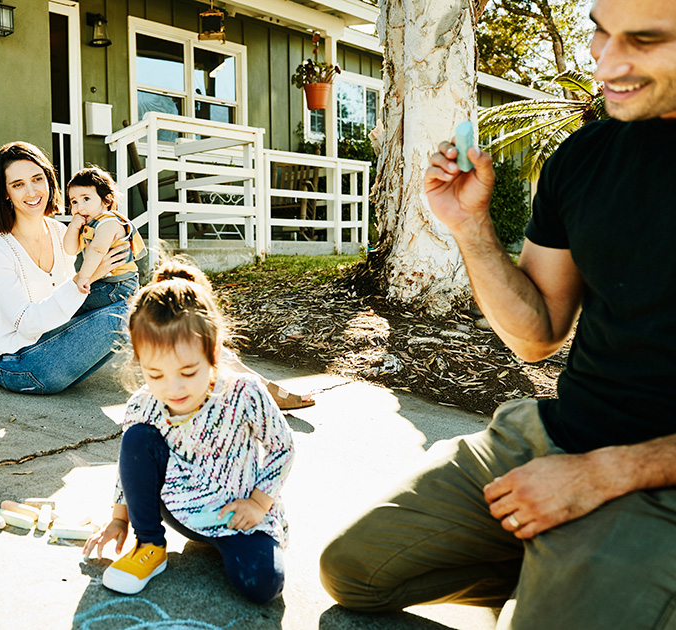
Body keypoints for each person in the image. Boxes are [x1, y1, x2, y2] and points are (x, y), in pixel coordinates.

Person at [319, 1, 676, 627]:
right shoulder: (585, 156)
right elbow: (537, 335)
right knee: (354, 571)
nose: (606, 60)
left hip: (657, 480)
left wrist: (604, 473)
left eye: (643, 41)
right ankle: (548, 570)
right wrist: (469, 227)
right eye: (599, 32)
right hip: (559, 434)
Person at [82, 259, 297, 603]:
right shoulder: (143, 404)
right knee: (137, 438)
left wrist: (259, 503)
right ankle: (150, 545)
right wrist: (119, 519)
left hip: (236, 513)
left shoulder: (244, 392)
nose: (173, 388)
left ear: (212, 353)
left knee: (263, 586)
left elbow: (282, 448)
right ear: (140, 362)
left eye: (187, 371)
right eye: (156, 374)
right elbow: (131, 469)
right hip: (174, 506)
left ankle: (226, 545)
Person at [0, 142, 131, 394]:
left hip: (55, 341)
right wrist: (89, 275)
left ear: (49, 180)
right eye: (18, 184)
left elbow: (67, 306)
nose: (32, 191)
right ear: (5, 192)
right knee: (137, 311)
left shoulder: (61, 233)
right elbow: (26, 323)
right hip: (16, 364)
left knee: (134, 297)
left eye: (37, 179)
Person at [62, 166, 146, 313]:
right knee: (70, 302)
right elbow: (70, 249)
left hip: (120, 284)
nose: (79, 206)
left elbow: (97, 249)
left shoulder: (109, 222)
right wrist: (74, 226)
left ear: (106, 200)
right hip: (106, 282)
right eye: (74, 202)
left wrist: (84, 278)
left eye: (86, 199)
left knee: (74, 306)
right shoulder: (90, 225)